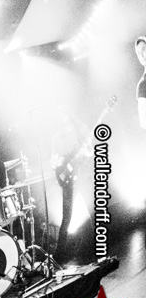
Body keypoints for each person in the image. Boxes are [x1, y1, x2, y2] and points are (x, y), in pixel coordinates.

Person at [50, 107, 92, 264]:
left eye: (67, 119)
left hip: (81, 176)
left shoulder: (80, 132)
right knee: (66, 217)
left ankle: (92, 247)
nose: (65, 122)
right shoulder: (57, 137)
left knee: (90, 210)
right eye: (62, 120)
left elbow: (90, 152)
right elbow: (53, 161)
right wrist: (57, 166)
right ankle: (59, 254)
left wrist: (86, 152)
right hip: (67, 179)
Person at [135, 36, 146, 129]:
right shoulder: (143, 85)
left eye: (143, 50)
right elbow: (144, 122)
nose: (141, 55)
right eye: (138, 53)